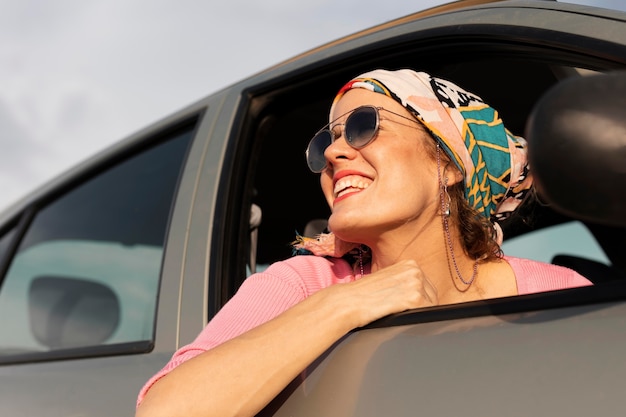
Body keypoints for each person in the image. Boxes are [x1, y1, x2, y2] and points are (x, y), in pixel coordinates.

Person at [135, 69, 591, 417]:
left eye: (363, 126)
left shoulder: (558, 293)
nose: (333, 154)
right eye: (327, 142)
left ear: (450, 163)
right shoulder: (303, 283)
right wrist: (347, 305)